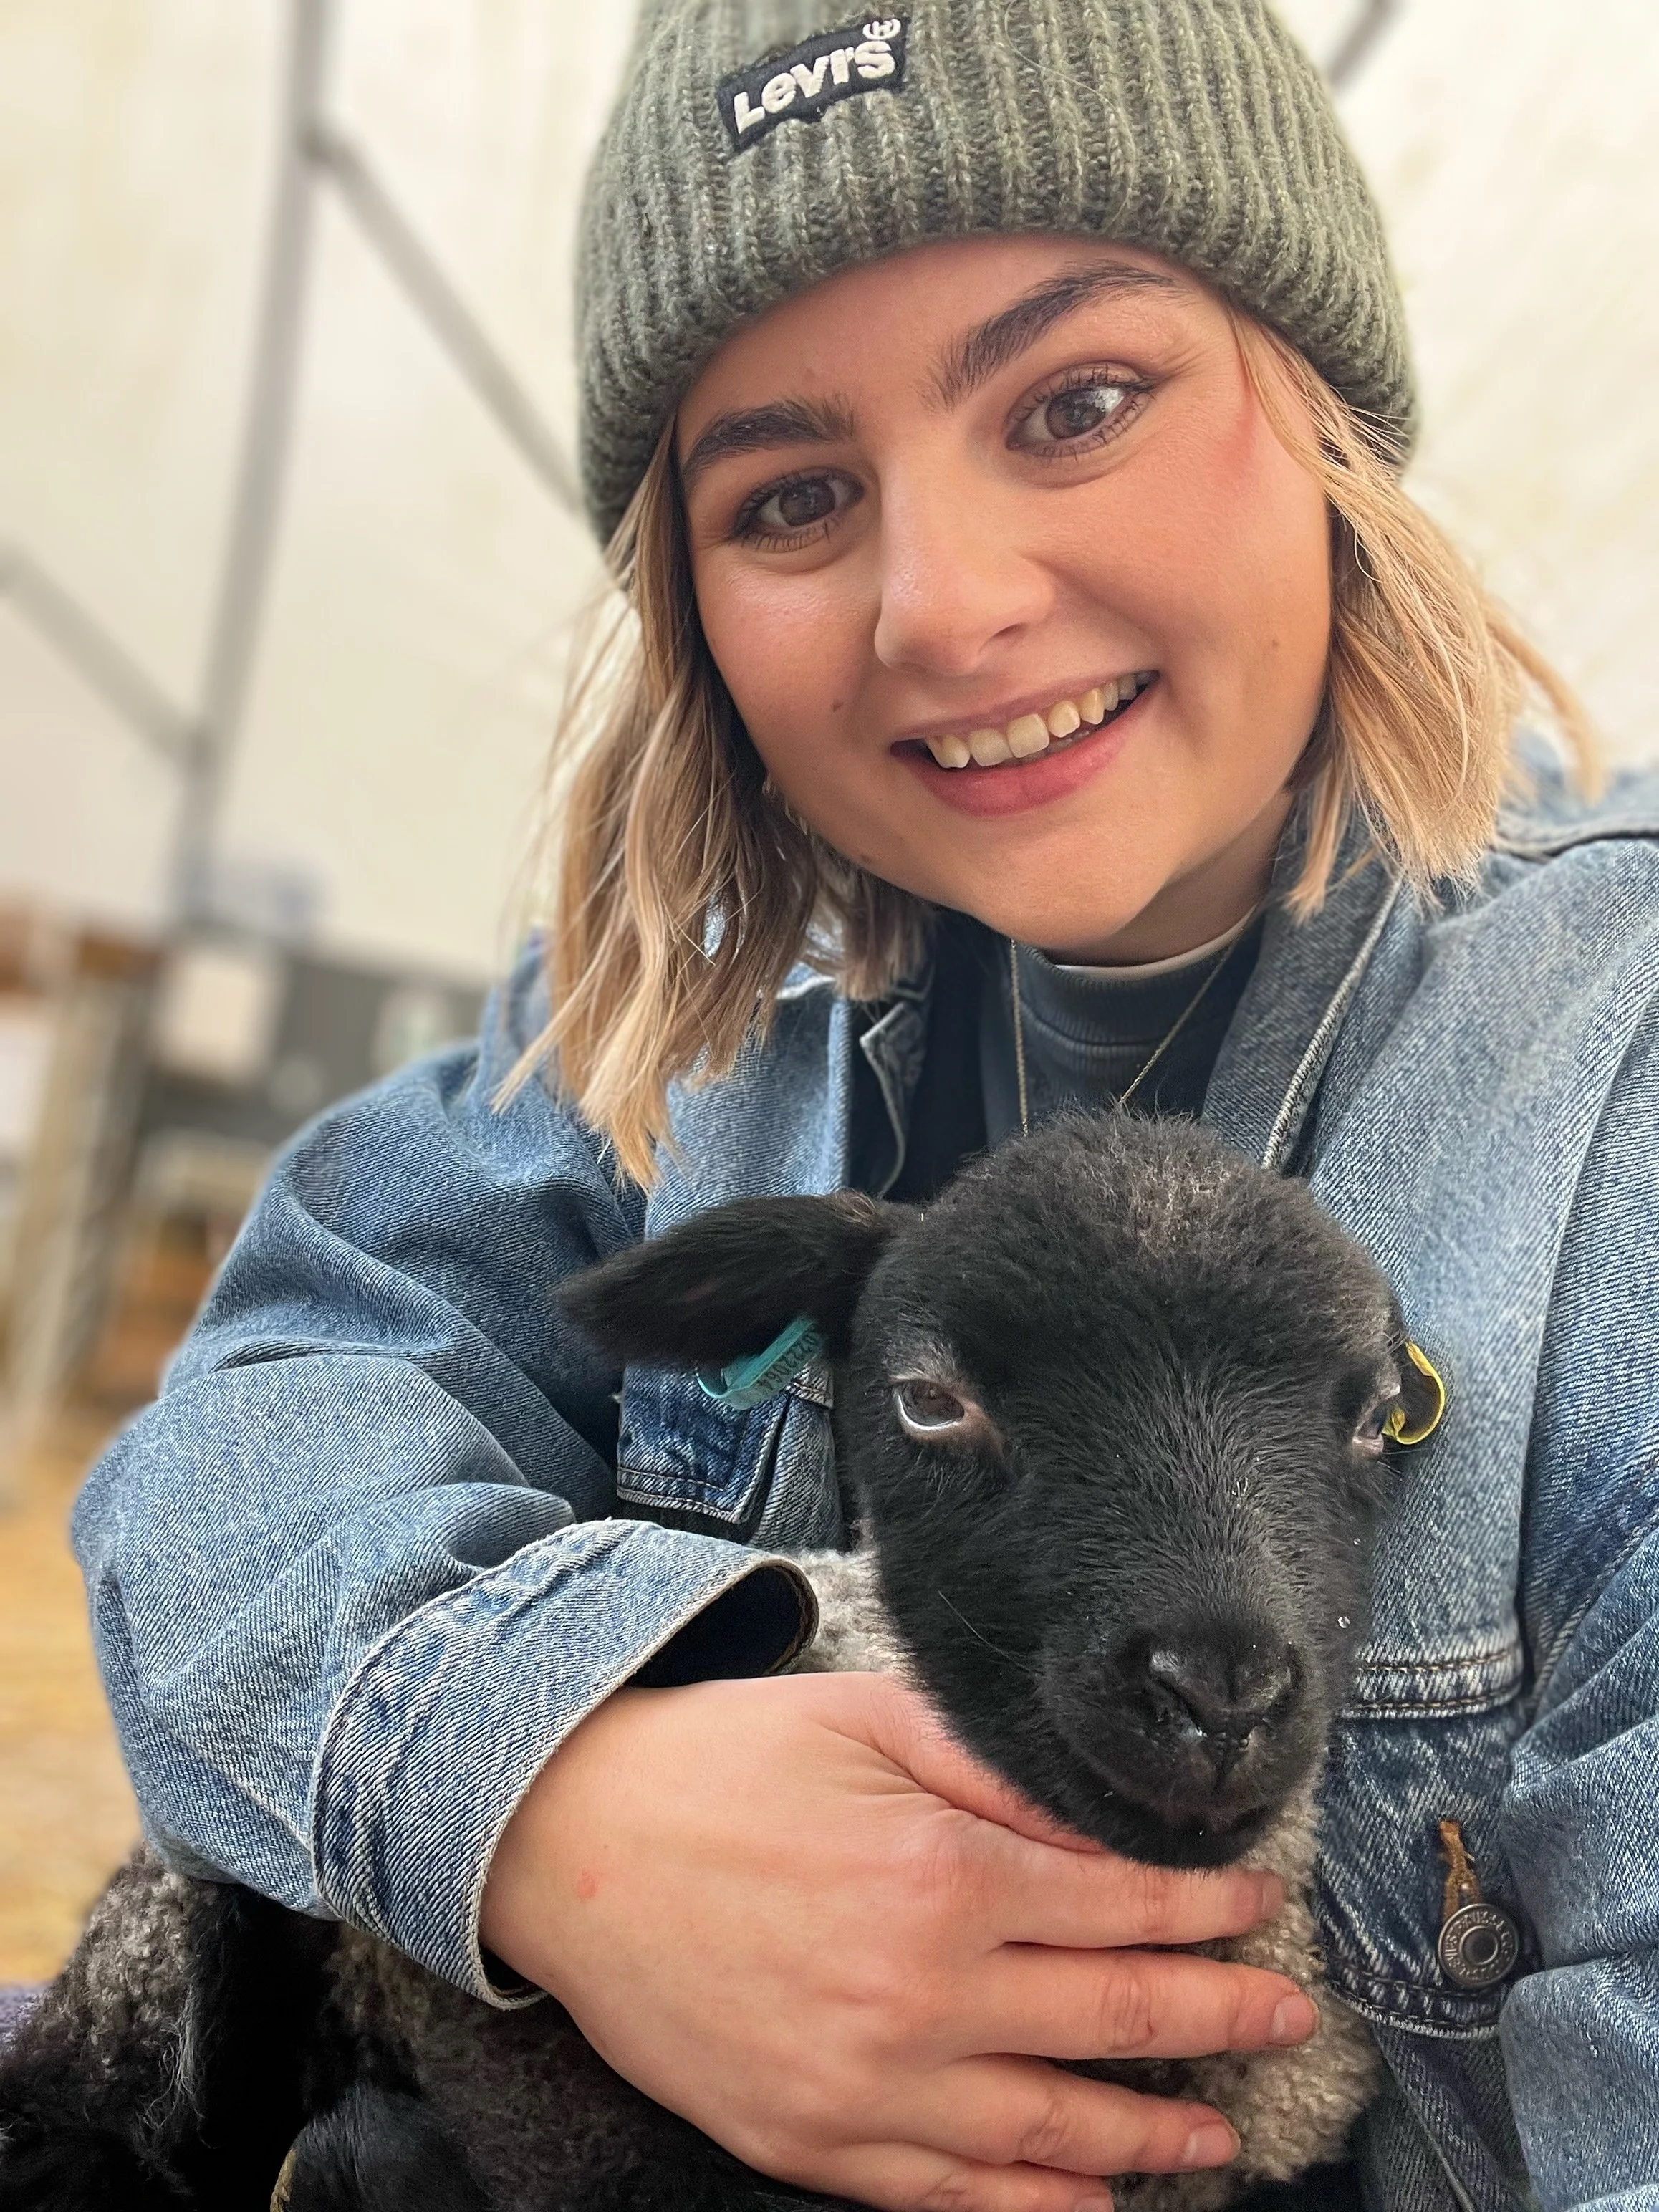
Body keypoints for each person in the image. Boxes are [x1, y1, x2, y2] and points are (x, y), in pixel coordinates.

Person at [73, 3, 1659, 2206]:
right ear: (692, 600)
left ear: (1318, 411)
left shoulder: (1608, 1101)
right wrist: (549, 1808)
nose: (947, 606)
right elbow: (261, 1426)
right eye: (795, 497)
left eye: (1075, 404)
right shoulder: (688, 1027)